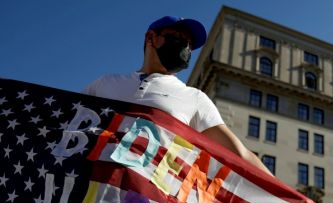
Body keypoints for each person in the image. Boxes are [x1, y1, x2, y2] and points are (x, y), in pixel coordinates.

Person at [83, 15, 271, 174]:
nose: (185, 47)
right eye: (177, 38)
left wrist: (293, 200)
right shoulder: (103, 85)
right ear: (151, 38)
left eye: (189, 44)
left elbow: (240, 153)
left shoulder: (194, 98)